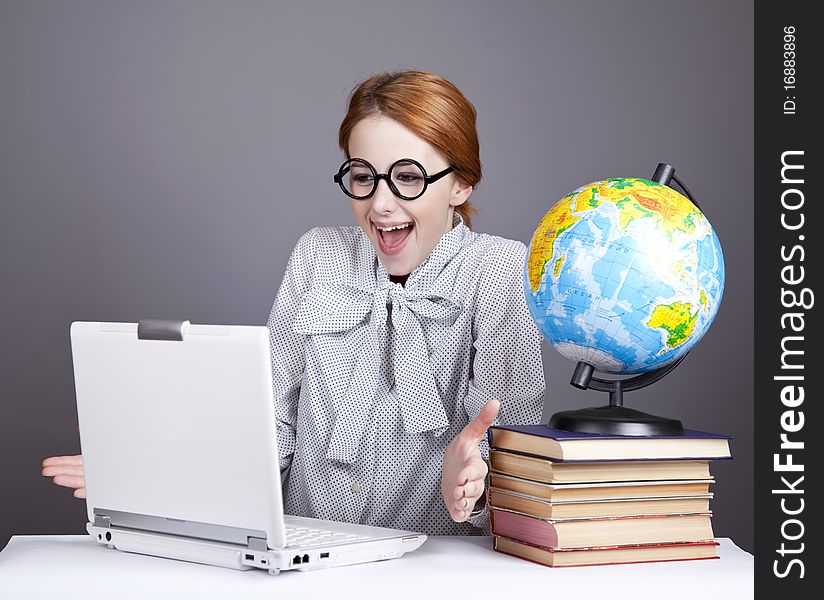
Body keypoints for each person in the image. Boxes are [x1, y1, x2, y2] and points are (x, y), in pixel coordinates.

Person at [42, 70, 546, 535]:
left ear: (461, 182)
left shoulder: (498, 271)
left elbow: (511, 457)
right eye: (364, 176)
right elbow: (270, 424)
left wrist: (473, 485)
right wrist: (162, 473)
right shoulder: (317, 255)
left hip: (438, 562)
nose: (380, 204)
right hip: (308, 552)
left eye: (409, 177)